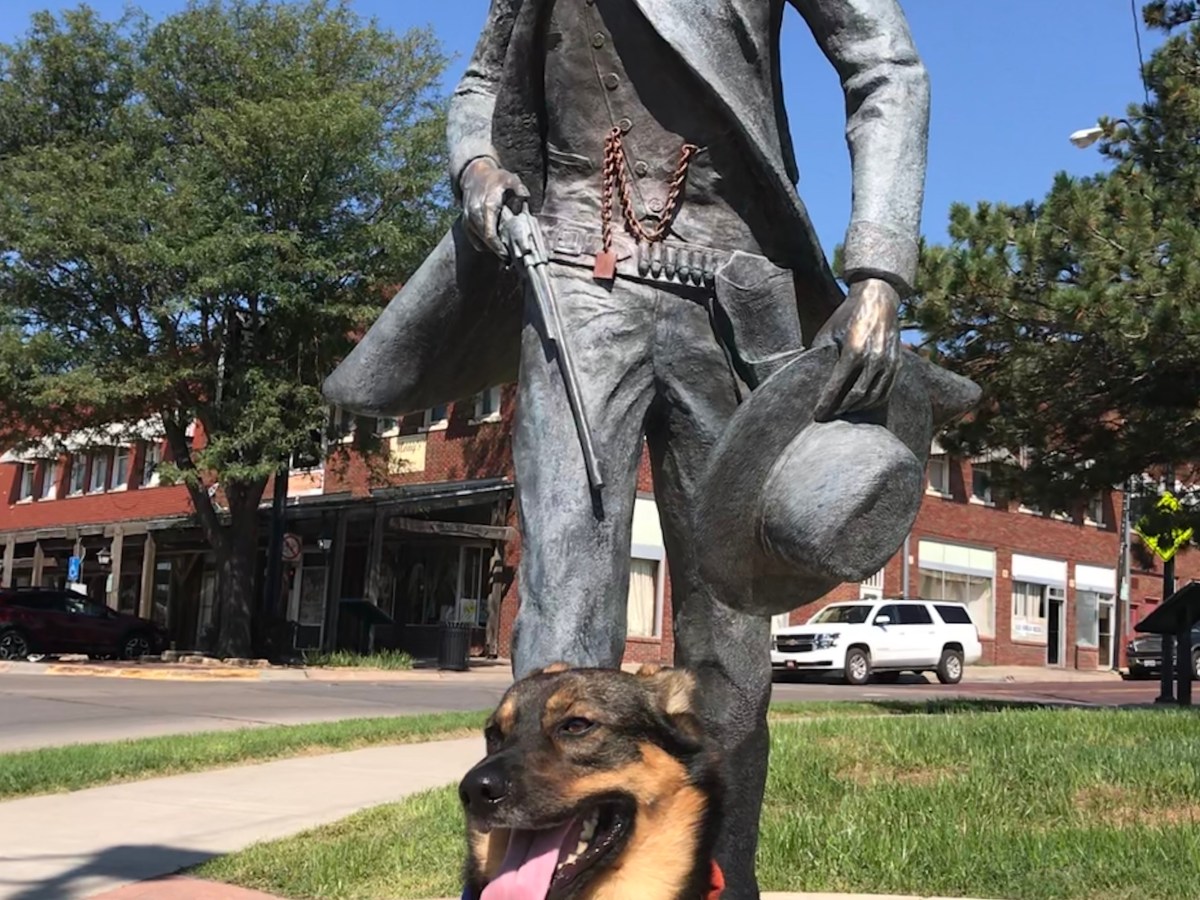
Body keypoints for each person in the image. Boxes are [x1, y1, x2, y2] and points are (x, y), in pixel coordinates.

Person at [325, 2, 930, 896]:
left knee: (731, 633)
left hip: (734, 287)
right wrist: (479, 166)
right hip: (571, 277)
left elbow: (883, 62)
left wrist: (879, 265)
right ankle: (530, 885)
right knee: (561, 615)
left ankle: (722, 879)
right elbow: (483, 82)